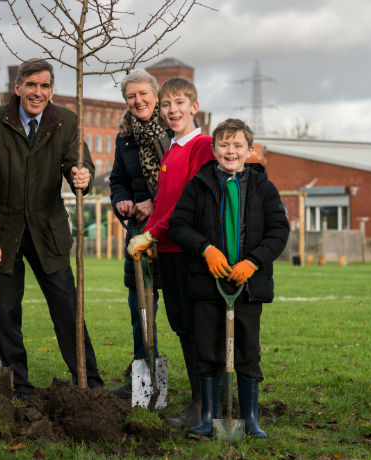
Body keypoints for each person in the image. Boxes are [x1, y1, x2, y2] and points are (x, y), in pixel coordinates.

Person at [0, 58, 103, 399]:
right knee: (7, 311)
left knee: (68, 306)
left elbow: (78, 162)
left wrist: (84, 176)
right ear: (18, 87)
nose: (38, 92)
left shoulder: (65, 121)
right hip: (4, 230)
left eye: (45, 86)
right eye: (32, 85)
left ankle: (89, 380)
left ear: (52, 90)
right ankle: (18, 385)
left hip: (48, 229)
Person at [169, 118, 290, 438]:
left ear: (249, 150)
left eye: (238, 145)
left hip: (248, 286)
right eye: (224, 144)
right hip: (208, 284)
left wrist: (253, 262)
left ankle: (250, 420)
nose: (230, 151)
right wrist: (206, 249)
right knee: (208, 349)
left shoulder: (263, 187)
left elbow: (279, 230)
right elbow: (179, 225)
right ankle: (209, 418)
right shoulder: (199, 184)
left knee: (248, 352)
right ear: (213, 149)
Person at [127, 77, 215, 428]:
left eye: (180, 103)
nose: (172, 110)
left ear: (194, 106)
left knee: (196, 327)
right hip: (168, 249)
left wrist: (154, 234)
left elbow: (186, 203)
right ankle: (199, 401)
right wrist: (150, 237)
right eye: (166, 105)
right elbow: (162, 202)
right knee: (180, 325)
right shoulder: (172, 149)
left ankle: (204, 405)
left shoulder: (202, 146)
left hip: (189, 250)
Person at [108, 70, 170, 399]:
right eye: (131, 96)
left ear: (156, 95)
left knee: (183, 314)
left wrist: (153, 202)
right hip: (138, 233)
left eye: (143, 93)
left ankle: (205, 384)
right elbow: (117, 179)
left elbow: (182, 184)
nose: (138, 100)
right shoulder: (124, 137)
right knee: (140, 308)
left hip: (173, 233)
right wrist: (122, 200)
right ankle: (146, 385)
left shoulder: (173, 131)